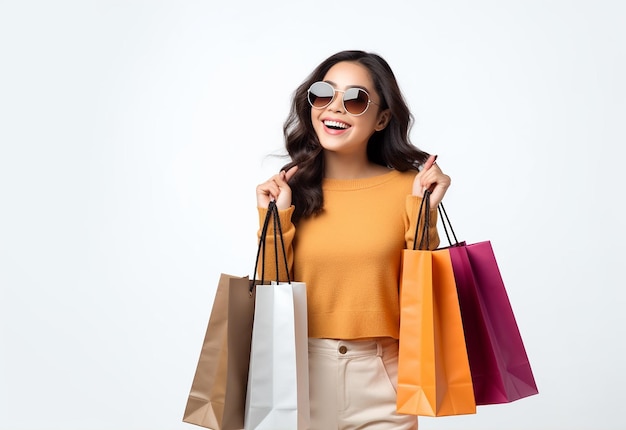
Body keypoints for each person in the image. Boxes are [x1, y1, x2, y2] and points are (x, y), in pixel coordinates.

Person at [255, 50, 451, 430]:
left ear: (381, 118)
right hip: (299, 378)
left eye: (355, 98)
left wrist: (423, 208)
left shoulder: (405, 189)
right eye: (324, 93)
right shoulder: (290, 190)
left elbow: (422, 291)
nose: (336, 107)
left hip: (384, 379)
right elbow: (270, 294)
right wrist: (274, 216)